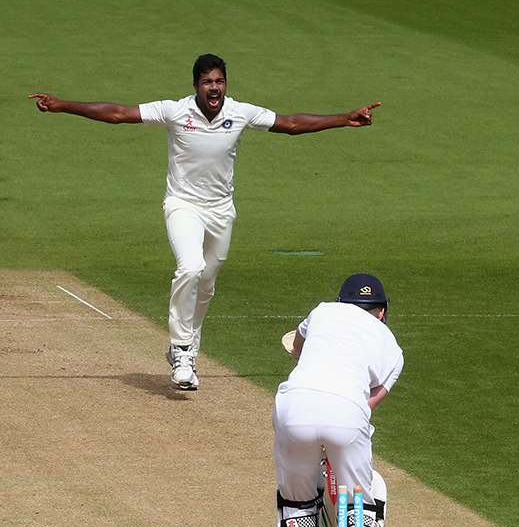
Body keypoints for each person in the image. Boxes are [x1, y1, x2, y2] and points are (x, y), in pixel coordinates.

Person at [31, 55, 380, 391]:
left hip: (221, 211)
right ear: (196, 85)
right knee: (190, 268)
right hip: (183, 205)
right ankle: (182, 351)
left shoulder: (240, 112)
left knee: (206, 283)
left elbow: (289, 124)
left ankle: (185, 351)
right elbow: (119, 114)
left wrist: (343, 119)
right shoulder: (174, 110)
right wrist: (63, 105)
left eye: (219, 81)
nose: (214, 88)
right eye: (207, 82)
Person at [273, 274, 402, 527]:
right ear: (383, 311)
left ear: (342, 302)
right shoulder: (392, 347)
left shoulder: (323, 311)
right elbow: (368, 403)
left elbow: (297, 349)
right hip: (347, 411)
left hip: (293, 405)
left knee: (296, 497)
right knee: (360, 500)